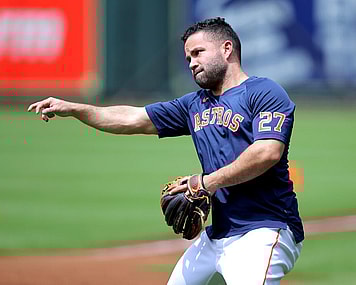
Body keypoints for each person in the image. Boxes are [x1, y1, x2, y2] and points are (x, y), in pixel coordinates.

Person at [28, 17, 304, 285]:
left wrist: (206, 183)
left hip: (265, 229)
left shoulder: (264, 92)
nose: (192, 63)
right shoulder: (195, 104)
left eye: (198, 53)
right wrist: (78, 109)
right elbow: (132, 118)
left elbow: (267, 152)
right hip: (218, 234)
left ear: (227, 49)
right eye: (188, 59)